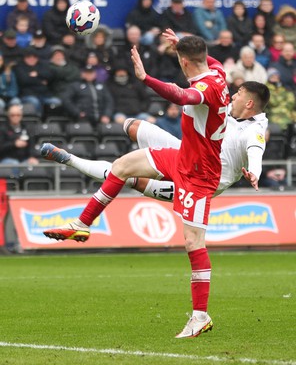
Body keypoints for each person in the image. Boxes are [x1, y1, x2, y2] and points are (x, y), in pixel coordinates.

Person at [42, 29, 230, 339]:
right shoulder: (218, 72)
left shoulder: (206, 87)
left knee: (193, 243)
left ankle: (200, 316)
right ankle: (82, 223)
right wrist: (181, 43)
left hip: (200, 174)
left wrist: (145, 78)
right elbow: (203, 58)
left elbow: (183, 96)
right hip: (183, 156)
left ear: (183, 63)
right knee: (123, 166)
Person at [41, 80, 269, 209]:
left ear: (249, 103)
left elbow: (255, 151)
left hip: (202, 181)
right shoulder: (228, 110)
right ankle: (136, 159)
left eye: (238, 94)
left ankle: (70, 159)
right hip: (189, 154)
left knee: (130, 178)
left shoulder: (254, 130)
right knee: (132, 125)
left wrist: (254, 173)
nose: (233, 96)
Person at [14, 46, 61, 116]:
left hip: (44, 94)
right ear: (24, 58)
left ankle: (50, 123)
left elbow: (50, 75)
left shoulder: (42, 65)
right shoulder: (19, 67)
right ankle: (38, 120)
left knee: (57, 102)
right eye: (29, 57)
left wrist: (37, 74)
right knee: (34, 102)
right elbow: (24, 80)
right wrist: (41, 81)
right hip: (27, 94)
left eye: (34, 57)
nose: (32, 59)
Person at [0, 104, 39, 168]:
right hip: (6, 158)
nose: (15, 117)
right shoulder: (2, 129)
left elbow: (31, 145)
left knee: (34, 163)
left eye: (18, 115)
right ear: (8, 116)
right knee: (14, 163)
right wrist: (14, 144)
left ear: (21, 116)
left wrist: (32, 157)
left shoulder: (26, 128)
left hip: (24, 159)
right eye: (13, 115)